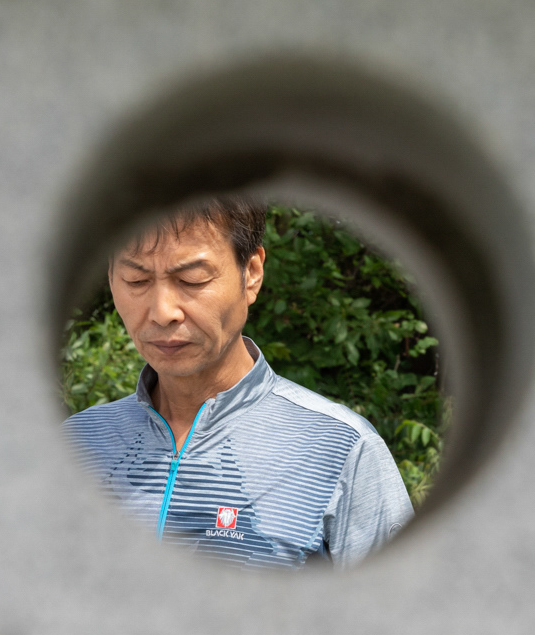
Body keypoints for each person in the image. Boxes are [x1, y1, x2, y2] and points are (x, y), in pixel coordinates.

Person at [63, 197, 414, 567]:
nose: (163, 312)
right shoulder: (77, 443)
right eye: (136, 280)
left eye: (192, 280)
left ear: (252, 274)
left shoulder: (340, 449)